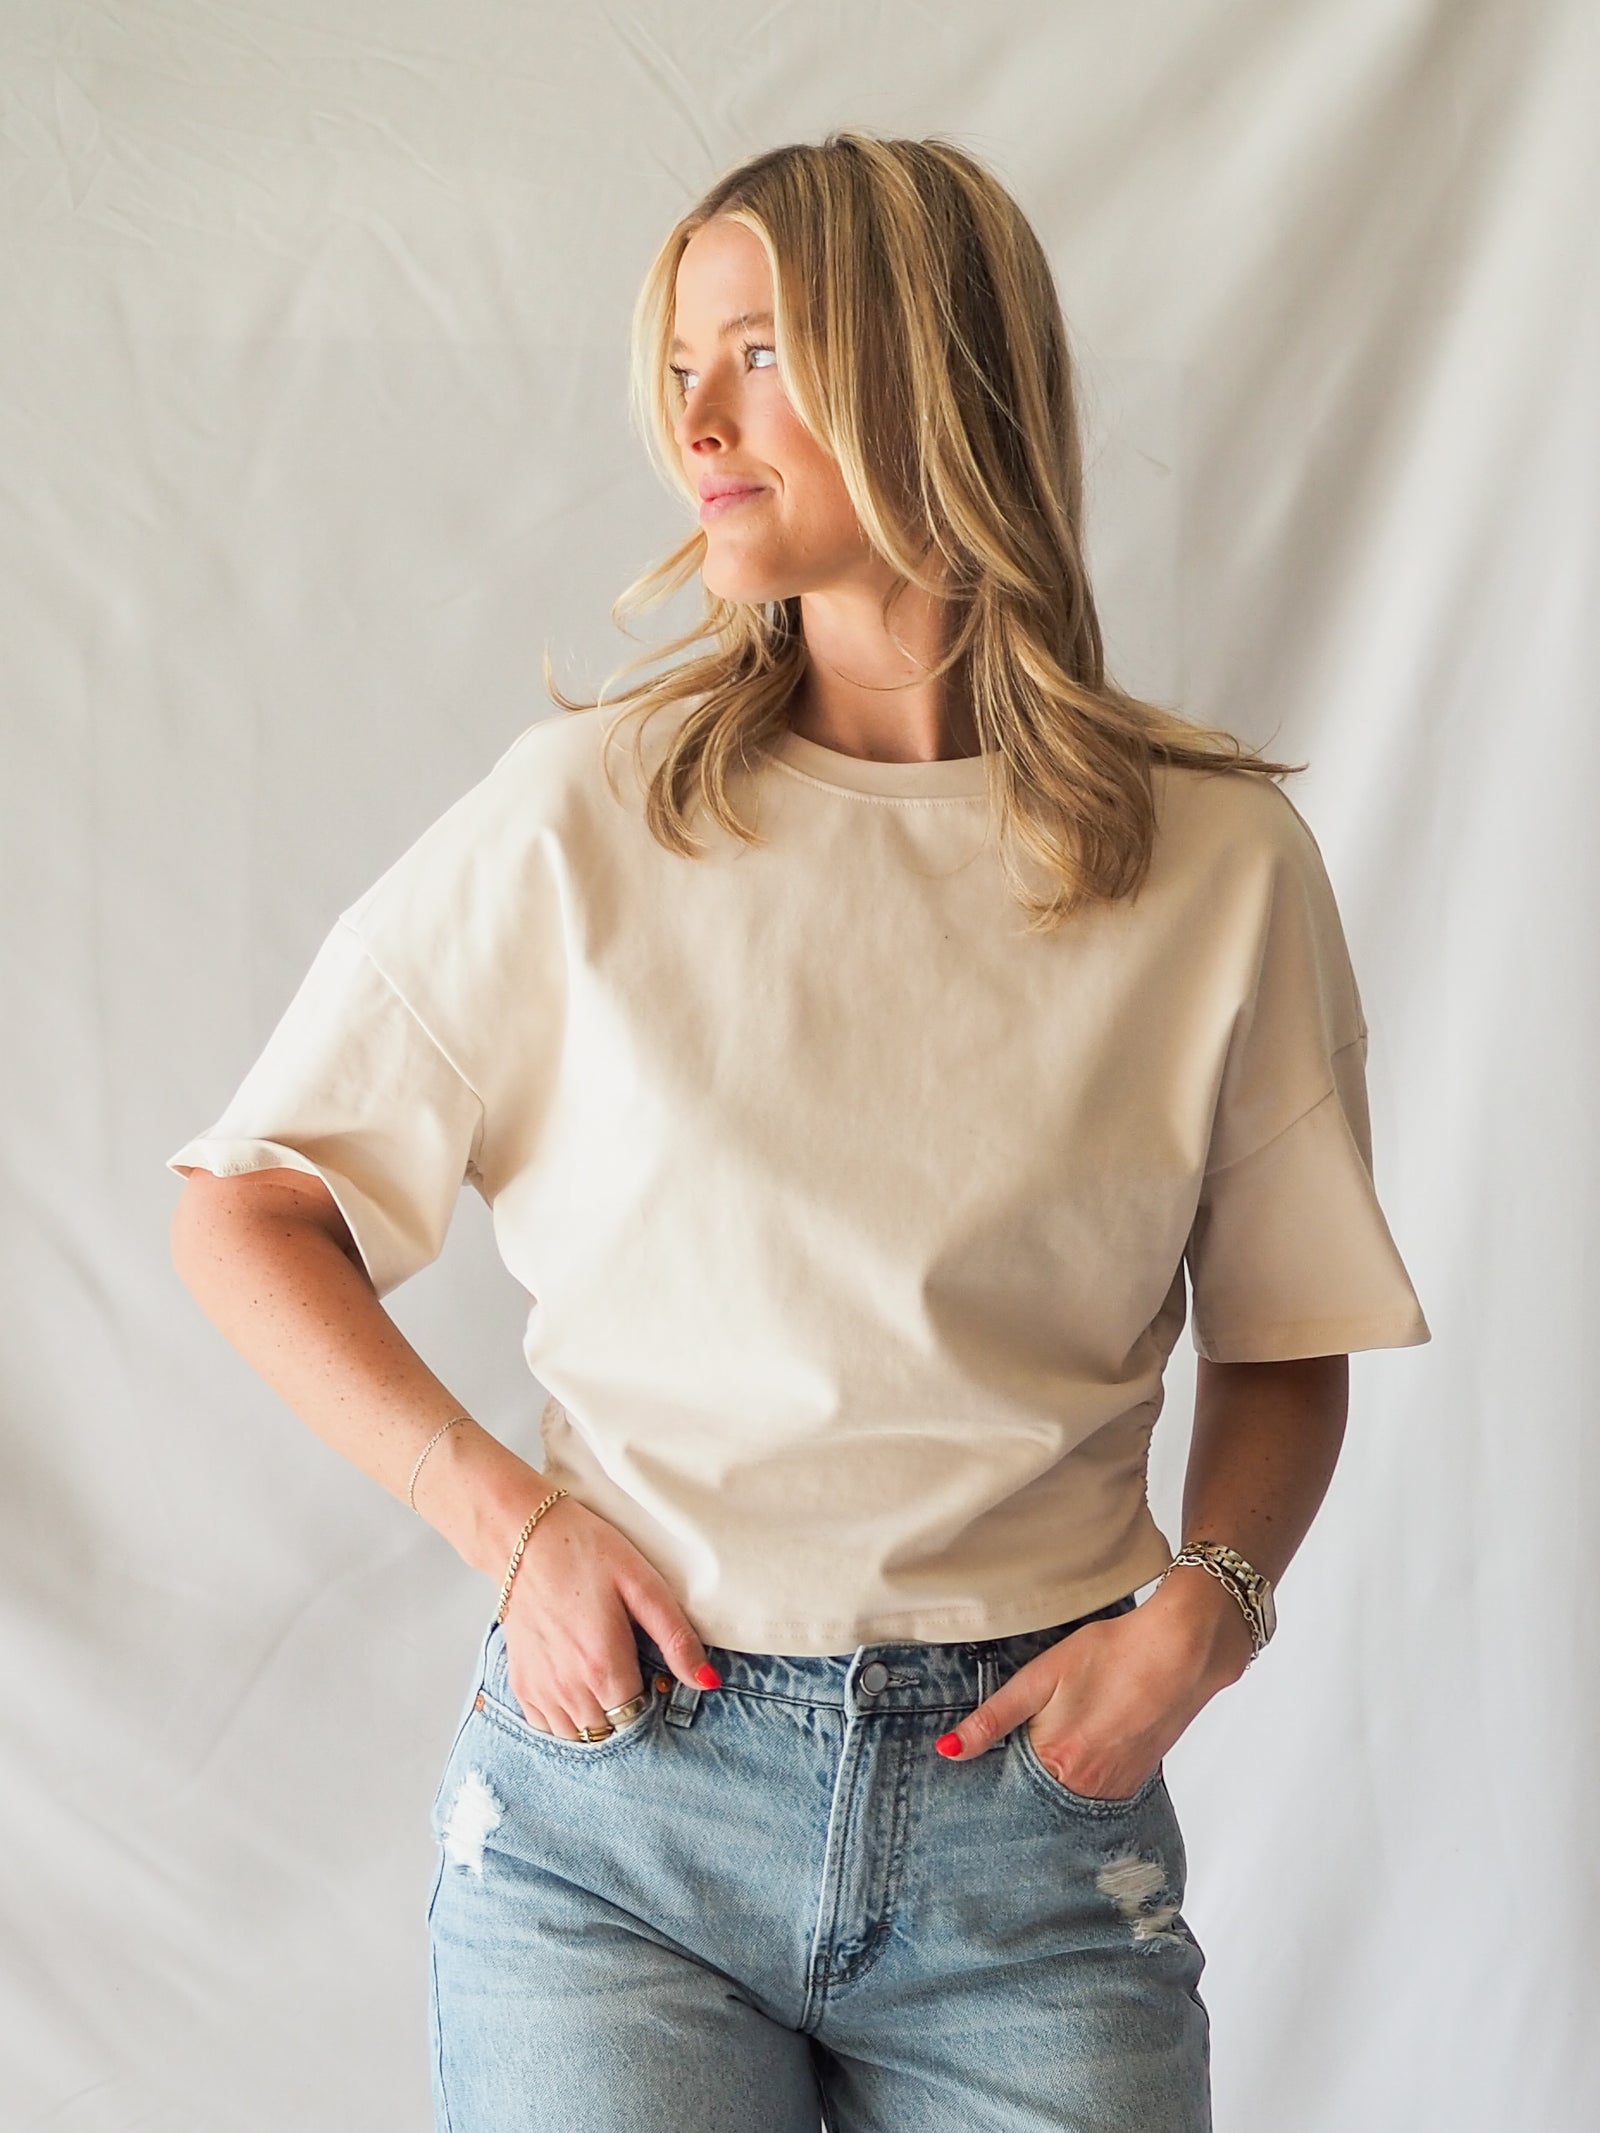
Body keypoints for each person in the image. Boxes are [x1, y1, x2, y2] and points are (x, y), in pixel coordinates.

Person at [167, 131, 1430, 2133]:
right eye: (680, 365)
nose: (695, 421)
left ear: (933, 370)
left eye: (759, 354)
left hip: (1031, 1830)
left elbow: (1285, 1336)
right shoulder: (584, 819)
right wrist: (510, 1524)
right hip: (619, 1812)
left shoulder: (1215, 862)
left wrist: (1209, 1609)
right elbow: (247, 1206)